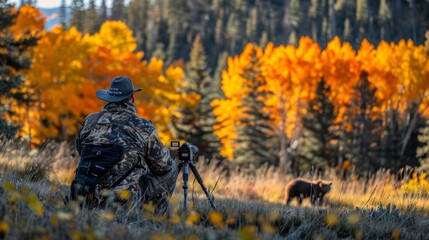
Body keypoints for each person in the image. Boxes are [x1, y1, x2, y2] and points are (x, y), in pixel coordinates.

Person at [72, 76, 178, 214]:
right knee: (172, 168)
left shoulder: (90, 120)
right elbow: (162, 166)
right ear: (132, 98)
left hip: (84, 196)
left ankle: (92, 205)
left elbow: (81, 150)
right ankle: (154, 218)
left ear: (109, 98)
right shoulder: (143, 126)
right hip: (122, 202)